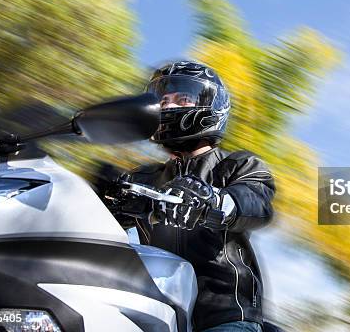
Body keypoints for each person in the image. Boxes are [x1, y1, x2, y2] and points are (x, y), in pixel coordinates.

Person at [114, 60, 275, 332]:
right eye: (163, 100)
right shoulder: (141, 178)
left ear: (211, 106)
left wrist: (214, 200)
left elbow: (255, 201)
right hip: (154, 310)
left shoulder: (238, 166)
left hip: (223, 315)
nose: (168, 106)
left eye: (182, 98)